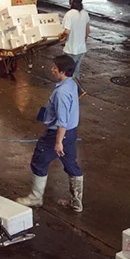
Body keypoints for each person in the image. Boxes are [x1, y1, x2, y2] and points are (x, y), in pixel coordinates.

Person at [16, 53, 83, 213]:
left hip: (57, 134)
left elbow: (62, 121)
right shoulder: (72, 83)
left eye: (55, 68)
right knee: (71, 164)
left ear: (63, 72)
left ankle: (35, 197)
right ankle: (76, 202)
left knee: (39, 162)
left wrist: (58, 141)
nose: (51, 69)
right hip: (71, 132)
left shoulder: (61, 94)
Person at [60, 0, 90, 84]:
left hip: (71, 50)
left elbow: (67, 31)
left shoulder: (69, 14)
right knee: (76, 72)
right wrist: (83, 41)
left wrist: (60, 36)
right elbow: (87, 31)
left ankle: (69, 91)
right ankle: (76, 91)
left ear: (71, 1)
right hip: (81, 49)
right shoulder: (85, 13)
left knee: (67, 74)